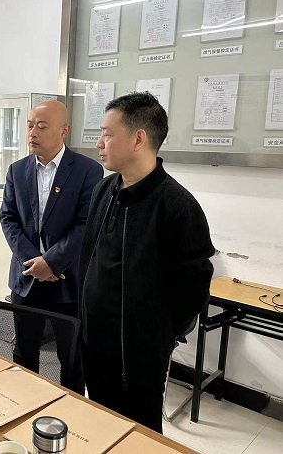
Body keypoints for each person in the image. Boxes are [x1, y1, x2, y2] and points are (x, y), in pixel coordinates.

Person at [79, 92, 215, 433]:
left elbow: (192, 291)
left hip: (138, 356)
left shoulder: (177, 207)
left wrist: (159, 334)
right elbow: (89, 257)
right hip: (93, 341)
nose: (99, 143)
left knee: (139, 434)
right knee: (99, 424)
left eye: (108, 134)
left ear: (138, 139)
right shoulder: (104, 190)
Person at [0, 100, 102, 393]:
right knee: (24, 353)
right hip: (27, 277)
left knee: (70, 358)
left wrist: (52, 263)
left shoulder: (88, 171)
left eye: (42, 126)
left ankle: (70, 413)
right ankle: (26, 405)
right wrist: (36, 262)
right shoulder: (17, 170)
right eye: (30, 125)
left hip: (68, 281)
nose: (33, 132)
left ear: (64, 131)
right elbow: (8, 218)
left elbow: (86, 224)